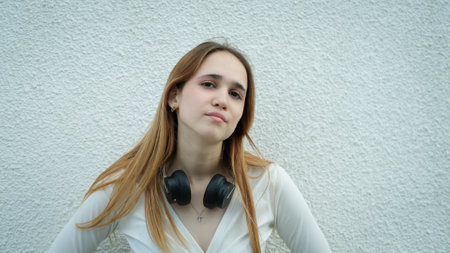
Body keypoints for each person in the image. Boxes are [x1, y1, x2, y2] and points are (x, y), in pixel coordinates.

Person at [49, 41, 331, 253]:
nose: (222, 99)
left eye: (235, 94)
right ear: (174, 96)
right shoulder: (126, 185)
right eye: (209, 84)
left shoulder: (269, 183)